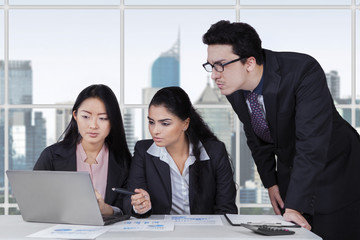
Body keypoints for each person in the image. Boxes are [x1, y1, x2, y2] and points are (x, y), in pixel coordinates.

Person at [202, 20, 360, 240]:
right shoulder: (234, 86)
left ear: (249, 63)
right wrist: (271, 182)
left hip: (334, 165)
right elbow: (255, 133)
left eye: (220, 65)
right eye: (210, 65)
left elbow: (311, 142)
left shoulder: (302, 71)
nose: (214, 75)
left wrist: (295, 204)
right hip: (293, 169)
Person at [126, 86, 237, 217]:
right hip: (161, 234)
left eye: (165, 123)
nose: (155, 130)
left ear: (185, 124)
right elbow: (129, 202)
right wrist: (140, 207)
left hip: (205, 234)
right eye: (151, 122)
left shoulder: (215, 151)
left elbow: (226, 209)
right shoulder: (143, 151)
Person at [34, 84, 132, 216]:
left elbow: (127, 206)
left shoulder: (124, 161)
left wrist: (106, 209)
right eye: (86, 116)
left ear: (112, 121)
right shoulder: (51, 156)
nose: (93, 125)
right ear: (75, 115)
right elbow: (34, 198)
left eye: (103, 118)